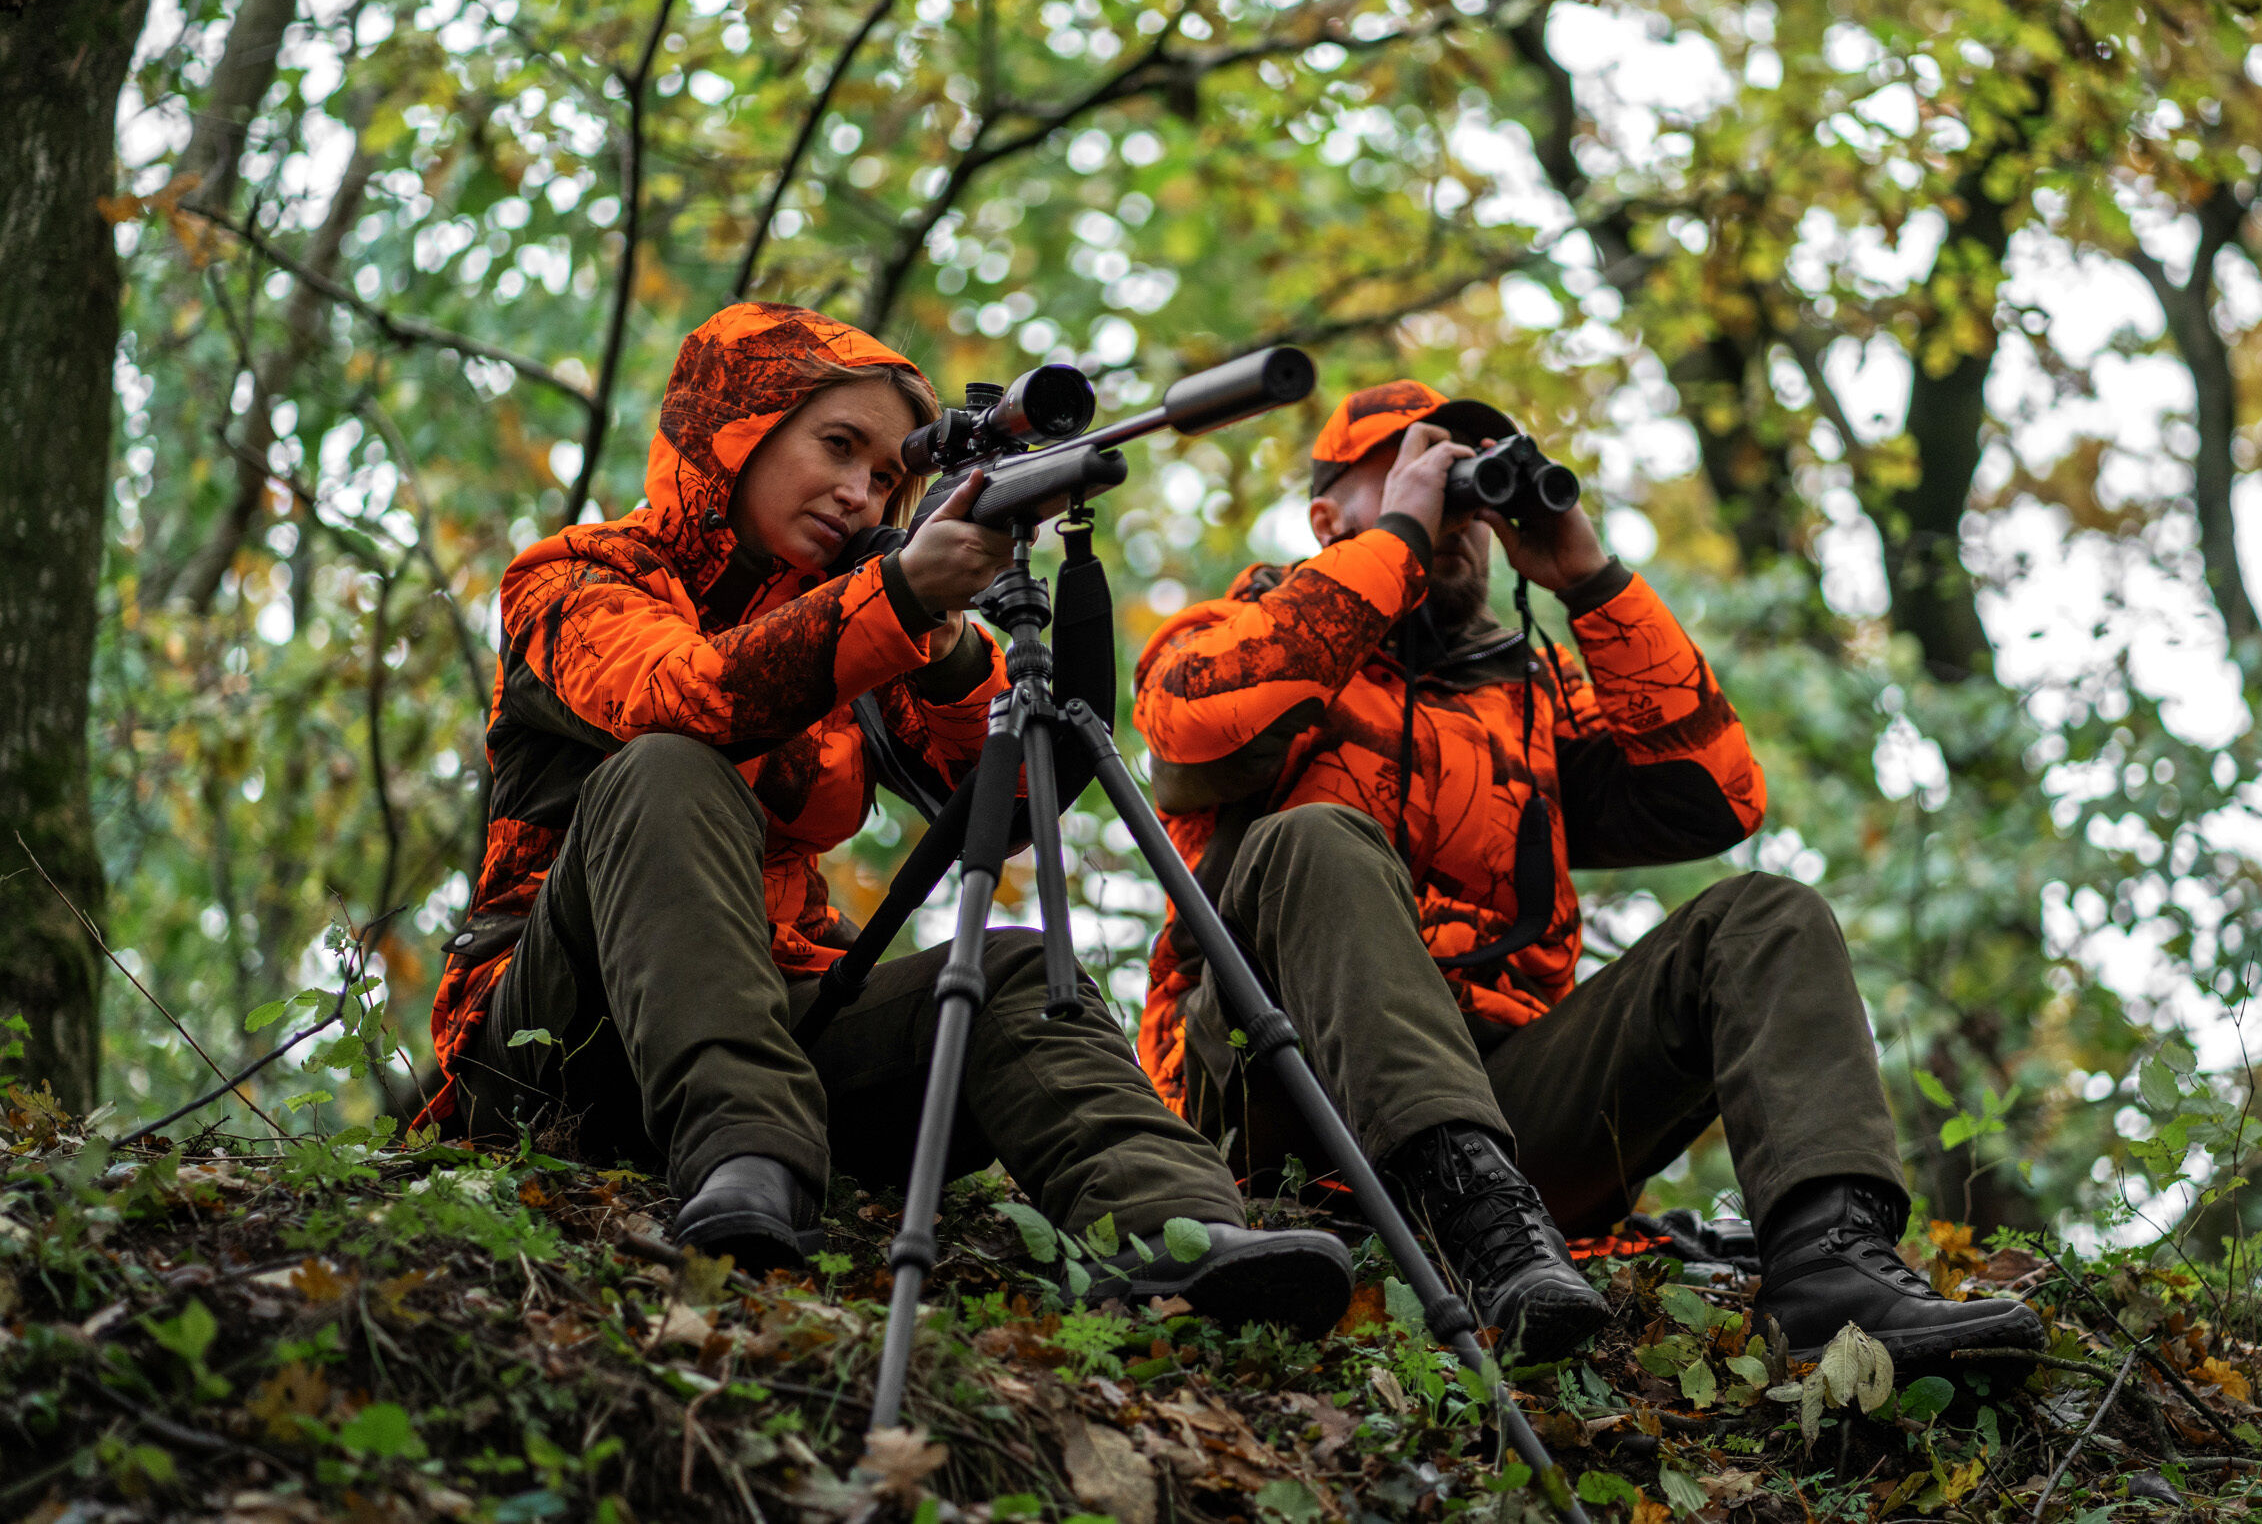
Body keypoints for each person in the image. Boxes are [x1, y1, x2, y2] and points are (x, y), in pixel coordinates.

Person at [417, 303, 1353, 1334]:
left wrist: (947, 645)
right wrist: (897, 594)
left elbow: (1006, 808)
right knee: (668, 765)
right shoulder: (575, 577)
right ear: (737, 430)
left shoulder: (860, 604)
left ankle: (1174, 1230)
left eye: (882, 476)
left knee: (1009, 968)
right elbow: (681, 694)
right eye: (836, 446)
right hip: (556, 1048)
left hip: (775, 1026)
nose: (859, 492)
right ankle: (748, 1161)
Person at [1129, 379, 2045, 1365]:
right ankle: (1479, 1225)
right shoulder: (1236, 632)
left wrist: (1587, 577)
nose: (1450, 499)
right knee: (1315, 836)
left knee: (1765, 917)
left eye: (1464, 476)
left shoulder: (1530, 695)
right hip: (1271, 1098)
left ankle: (1837, 1279)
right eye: (1412, 464)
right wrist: (1397, 537)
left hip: (1505, 1124)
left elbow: (1720, 794)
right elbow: (1193, 724)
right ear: (1326, 518)